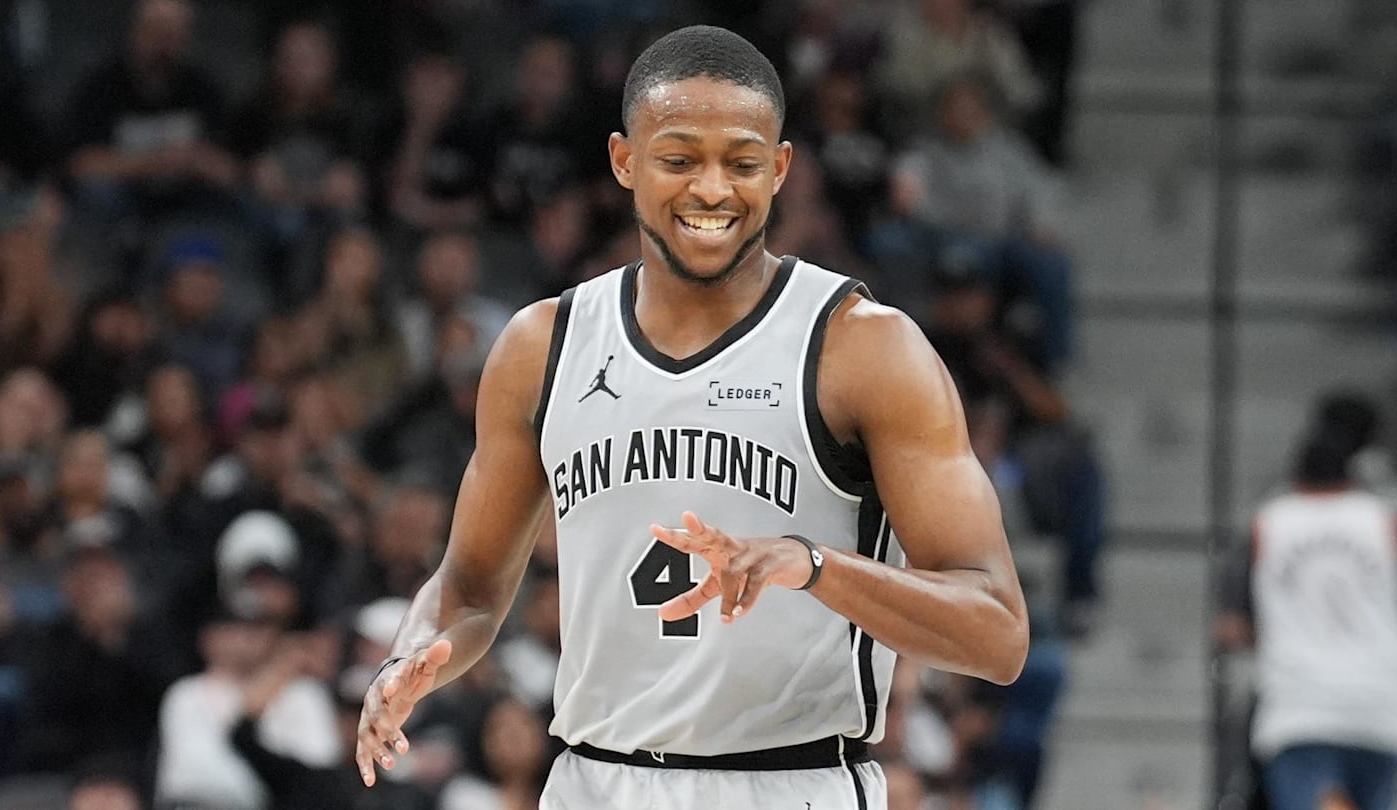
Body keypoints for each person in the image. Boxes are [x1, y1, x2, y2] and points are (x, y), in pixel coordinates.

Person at [355, 25, 1028, 809]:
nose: (712, 189)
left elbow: (997, 632)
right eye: (679, 160)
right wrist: (406, 658)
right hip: (590, 782)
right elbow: (469, 587)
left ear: (779, 170)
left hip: (791, 784)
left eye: (742, 163)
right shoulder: (543, 346)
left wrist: (813, 564)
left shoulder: (864, 349)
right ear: (624, 161)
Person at [1216, 434, 1397, 810]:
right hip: (1380, 711)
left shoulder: (1267, 525)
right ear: (1350, 479)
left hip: (1298, 710)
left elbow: (1233, 629)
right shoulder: (1385, 523)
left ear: (1296, 479)